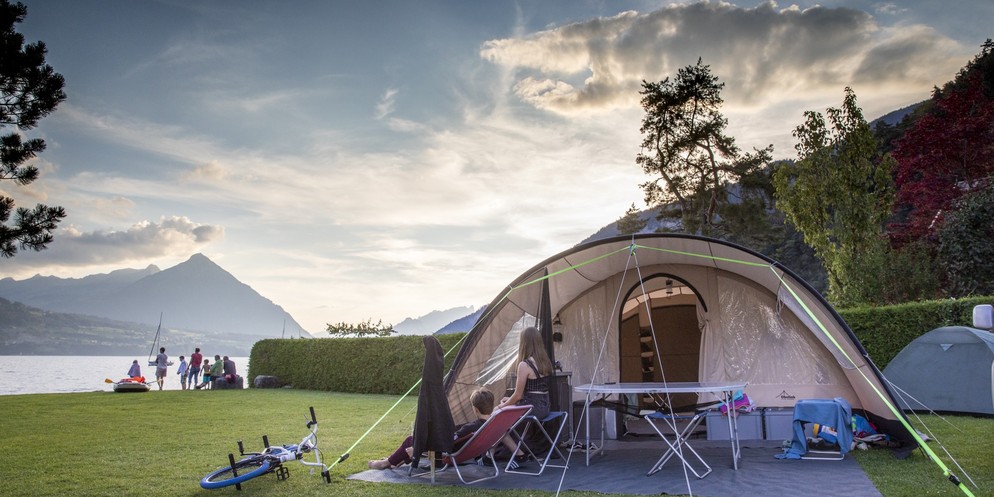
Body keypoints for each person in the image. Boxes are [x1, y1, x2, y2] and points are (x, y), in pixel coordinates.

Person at [368, 388, 495, 470]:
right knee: (418, 439)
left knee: (412, 440)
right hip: (461, 450)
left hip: (446, 450)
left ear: (475, 409)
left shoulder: (470, 427)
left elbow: (449, 442)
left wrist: (421, 447)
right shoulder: (492, 424)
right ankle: (394, 461)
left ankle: (385, 463)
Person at [494, 326, 553, 459]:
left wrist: (501, 406)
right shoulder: (545, 362)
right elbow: (531, 393)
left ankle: (515, 454)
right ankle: (490, 454)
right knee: (506, 404)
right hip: (545, 407)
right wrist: (509, 402)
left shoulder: (524, 365)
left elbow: (518, 395)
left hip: (531, 408)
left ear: (524, 343)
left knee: (496, 416)